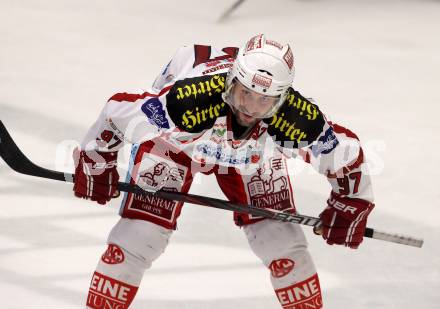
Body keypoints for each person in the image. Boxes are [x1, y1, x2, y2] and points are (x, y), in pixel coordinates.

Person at [73, 34, 375, 308]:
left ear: (282, 98)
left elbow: (344, 153)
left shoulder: (294, 118)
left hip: (252, 156)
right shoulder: (188, 102)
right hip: (179, 148)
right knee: (139, 236)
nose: (251, 109)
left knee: (282, 242)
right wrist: (96, 159)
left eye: (264, 101)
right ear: (231, 82)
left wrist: (351, 201)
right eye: (244, 93)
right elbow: (117, 113)